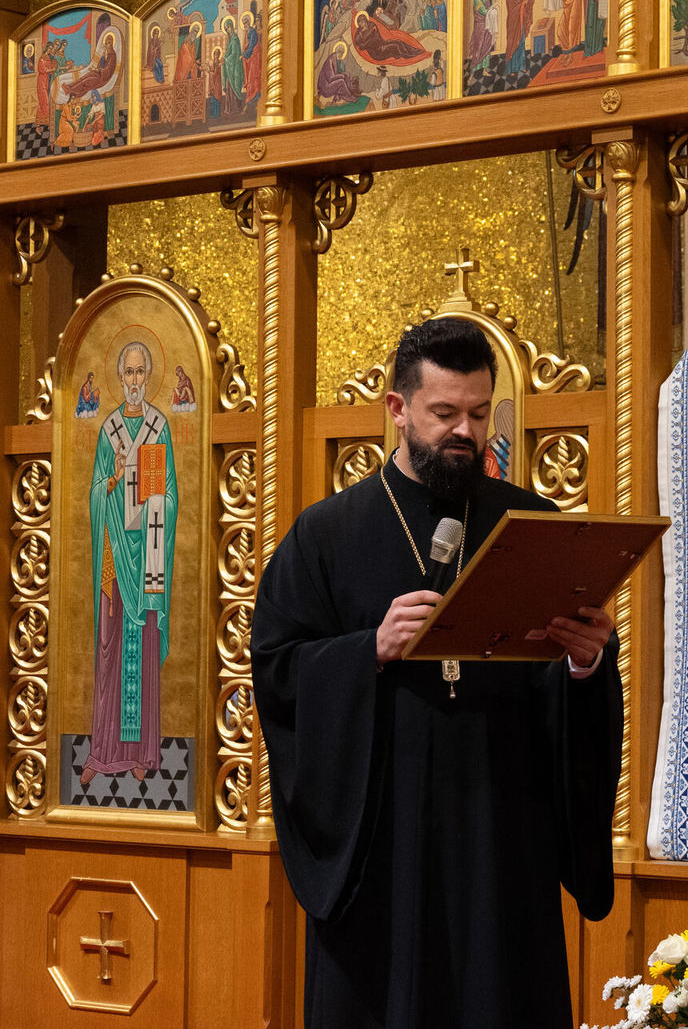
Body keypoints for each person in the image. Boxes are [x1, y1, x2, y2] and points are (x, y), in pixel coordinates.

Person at [253, 317, 623, 1028]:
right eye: (445, 412)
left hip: (500, 831)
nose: (465, 432)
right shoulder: (326, 534)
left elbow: (555, 697)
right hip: (381, 842)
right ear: (398, 408)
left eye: (479, 415)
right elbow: (277, 671)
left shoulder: (531, 524)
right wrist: (369, 649)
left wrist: (585, 664)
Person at [84, 342, 177, 788]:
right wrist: (115, 479)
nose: (136, 381)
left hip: (148, 560)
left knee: (142, 652)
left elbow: (169, 494)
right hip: (114, 560)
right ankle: (102, 752)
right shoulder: (109, 430)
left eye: (142, 373)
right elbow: (94, 493)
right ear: (120, 378)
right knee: (110, 651)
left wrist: (157, 503)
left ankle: (141, 753)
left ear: (147, 376)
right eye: (130, 373)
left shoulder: (158, 428)